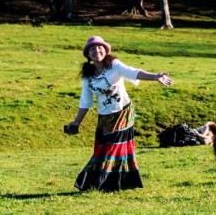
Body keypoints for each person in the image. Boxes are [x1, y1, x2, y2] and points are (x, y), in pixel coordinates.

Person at [65, 35, 173, 192]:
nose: (97, 51)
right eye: (92, 49)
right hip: (104, 116)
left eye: (100, 47)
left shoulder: (114, 65)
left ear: (105, 50)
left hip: (122, 112)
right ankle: (113, 183)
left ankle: (105, 184)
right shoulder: (88, 77)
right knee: (101, 149)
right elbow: (85, 101)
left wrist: (155, 76)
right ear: (88, 55)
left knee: (113, 148)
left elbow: (133, 72)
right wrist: (76, 122)